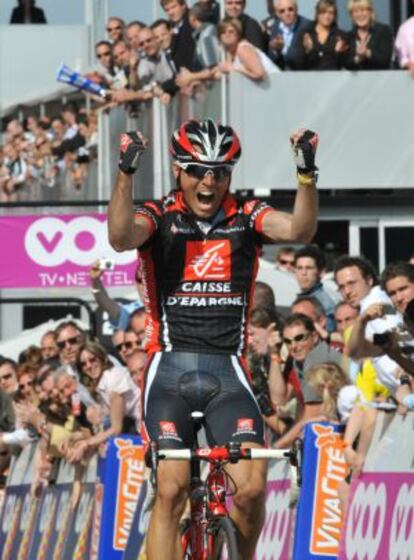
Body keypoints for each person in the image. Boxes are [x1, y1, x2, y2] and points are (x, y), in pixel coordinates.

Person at [108, 118, 319, 559]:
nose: (209, 181)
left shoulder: (246, 216)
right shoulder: (160, 214)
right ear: (178, 171)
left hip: (228, 371)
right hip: (169, 370)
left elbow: (299, 230)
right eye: (198, 171)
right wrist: (125, 174)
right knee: (172, 488)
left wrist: (305, 176)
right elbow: (120, 235)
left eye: (220, 172)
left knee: (251, 488)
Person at [294, 244, 336, 332]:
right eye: (299, 268)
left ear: (321, 272)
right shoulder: (302, 297)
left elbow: (328, 337)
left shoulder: (326, 305)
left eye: (309, 268)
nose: (303, 273)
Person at [344, 0, 393, 71]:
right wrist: (358, 58)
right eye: (355, 11)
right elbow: (347, 64)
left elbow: (385, 60)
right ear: (351, 16)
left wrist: (367, 53)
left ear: (371, 12)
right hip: (356, 81)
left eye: (363, 10)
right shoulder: (349, 36)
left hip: (379, 80)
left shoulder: (383, 31)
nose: (360, 14)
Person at [301, 0, 348, 71]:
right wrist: (307, 51)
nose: (327, 16)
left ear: (335, 16)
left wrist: (338, 53)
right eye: (323, 12)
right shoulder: (306, 33)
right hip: (310, 78)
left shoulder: (341, 36)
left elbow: (344, 64)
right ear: (317, 14)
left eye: (331, 13)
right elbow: (298, 63)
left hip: (333, 78)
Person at [268, 0, 312, 70]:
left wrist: (283, 48)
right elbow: (271, 59)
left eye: (290, 9)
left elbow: (303, 58)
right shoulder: (275, 26)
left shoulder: (307, 26)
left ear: (296, 10)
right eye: (282, 11)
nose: (287, 13)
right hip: (280, 75)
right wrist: (275, 50)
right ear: (277, 14)